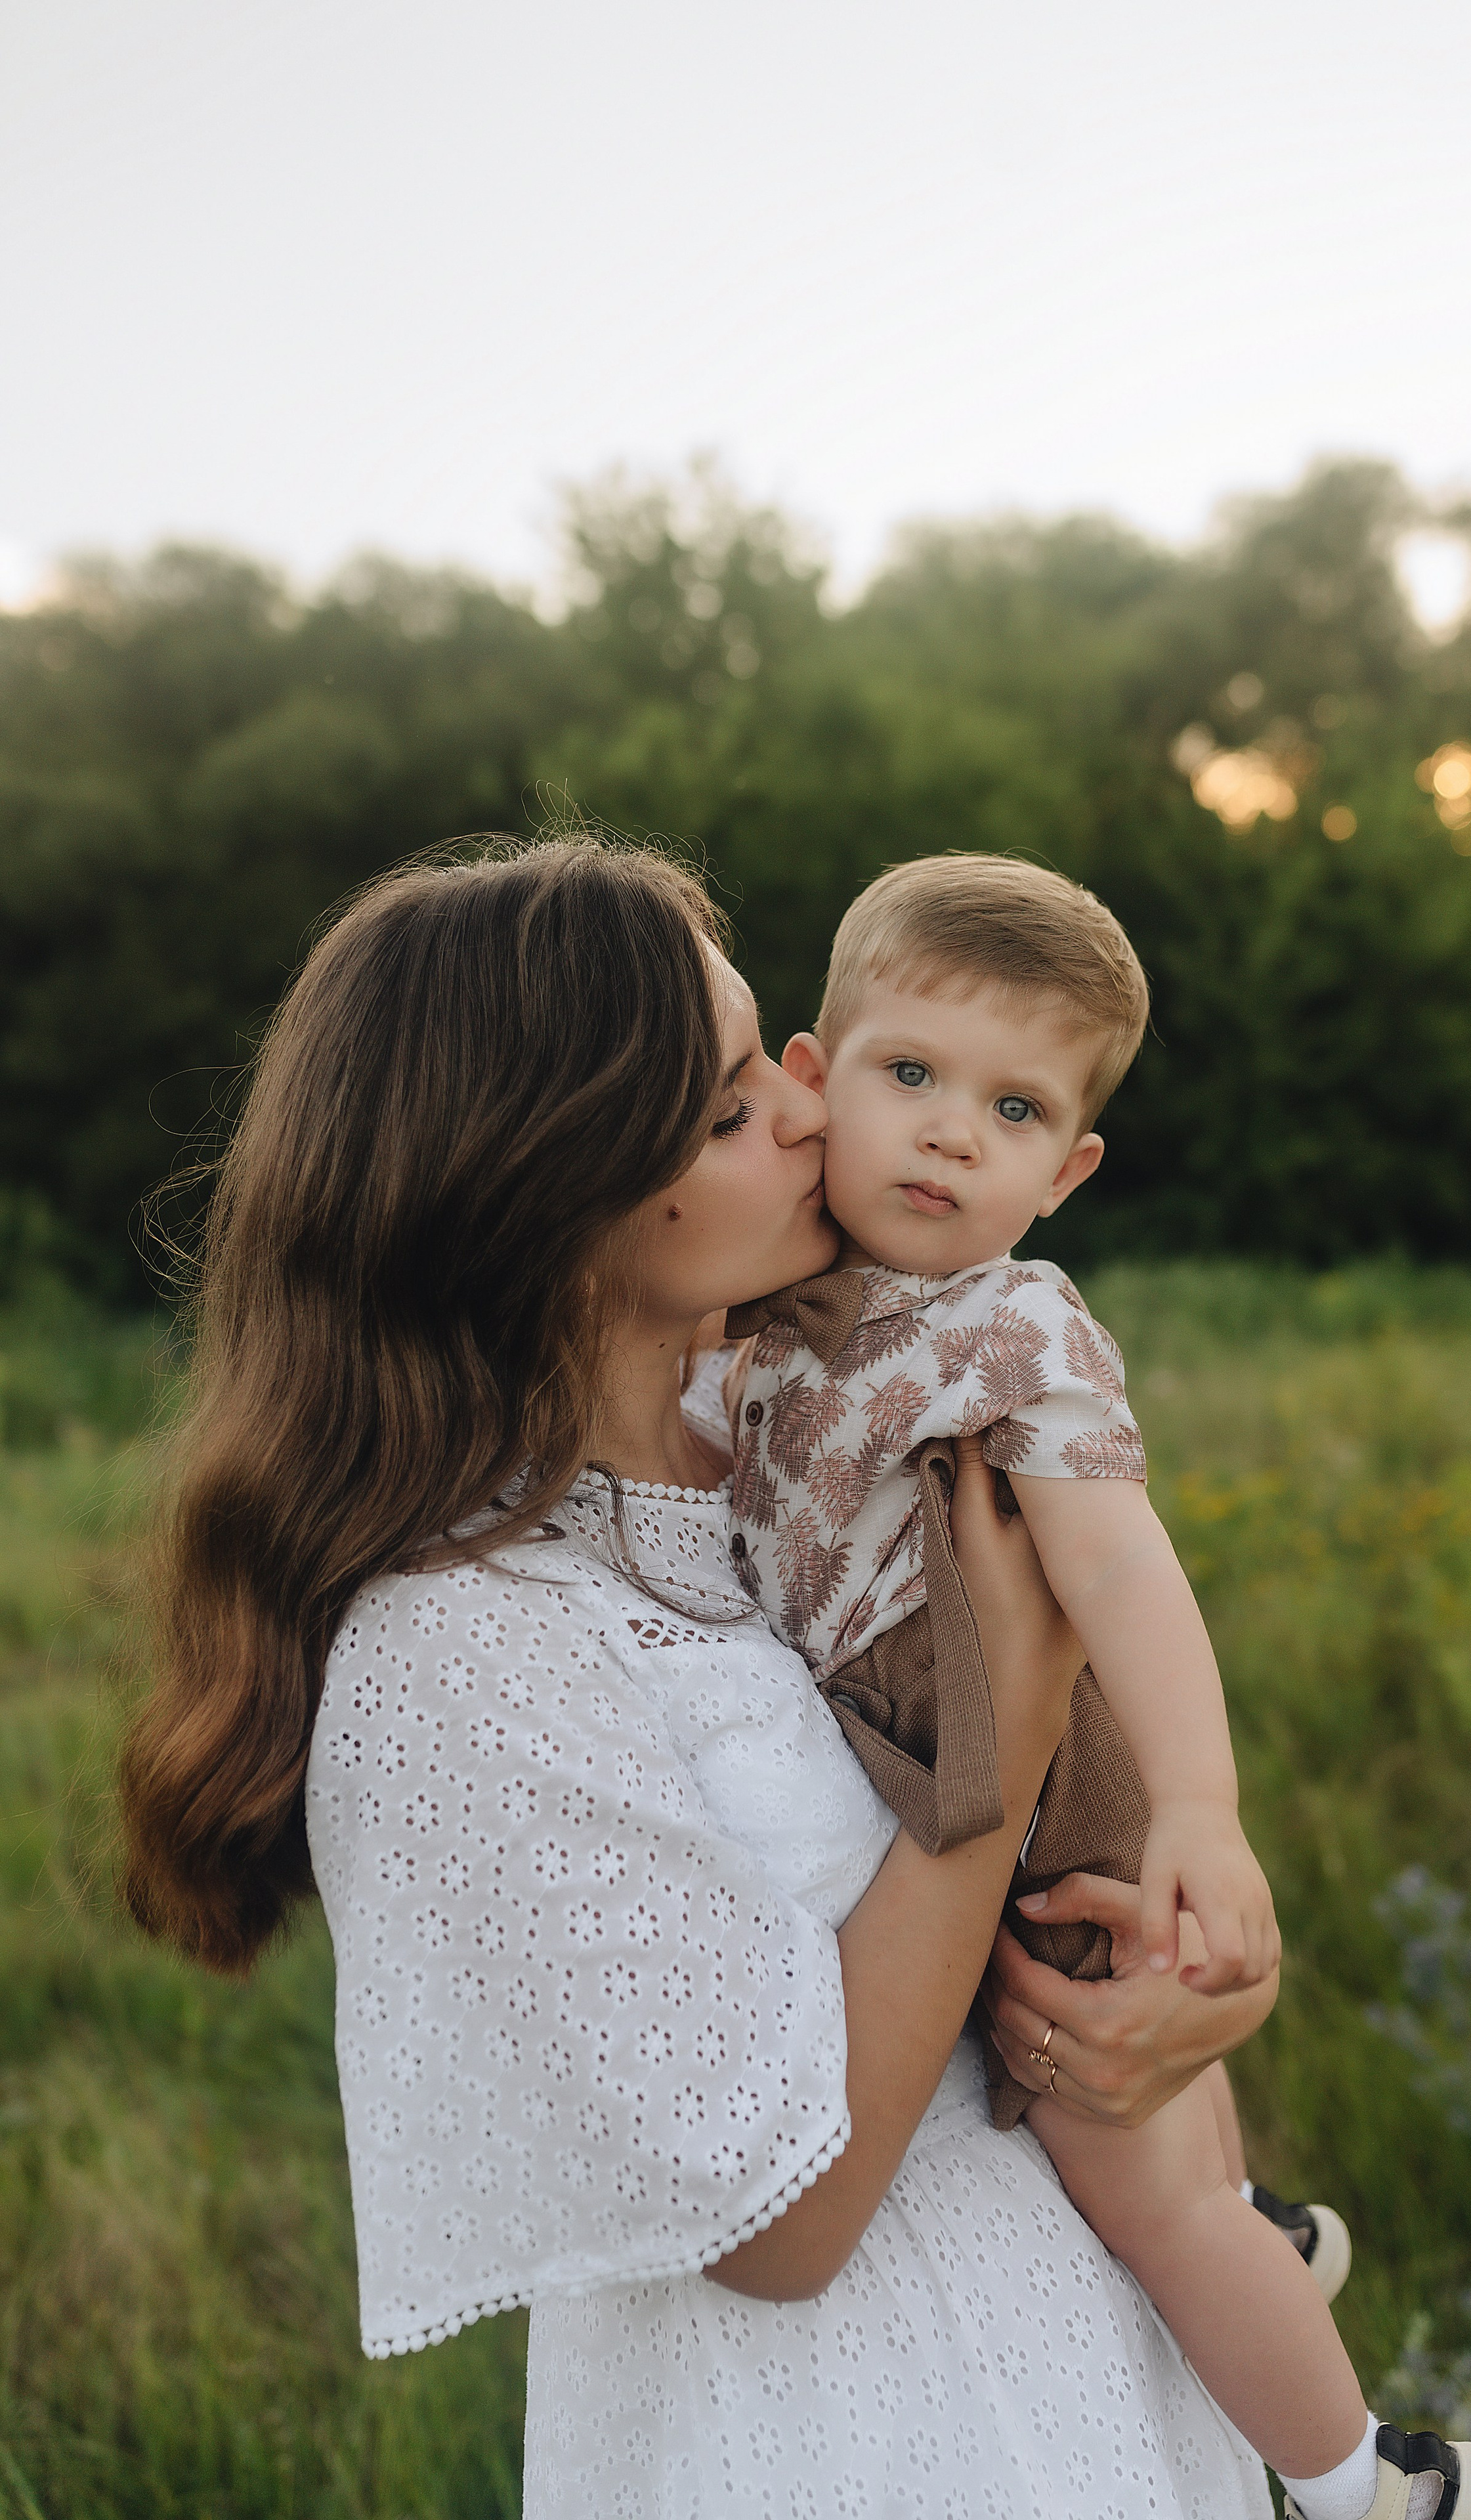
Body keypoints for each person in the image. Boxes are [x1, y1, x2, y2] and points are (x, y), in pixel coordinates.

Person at [120, 835, 1289, 2518]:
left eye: (773, 1056)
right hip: (839, 2436)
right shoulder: (463, 1648)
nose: (815, 1107)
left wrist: (1176, 2006)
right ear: (558, 1196)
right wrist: (1004, 1733)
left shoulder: (785, 1453)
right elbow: (780, 2226)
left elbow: (1042, 1892)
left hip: (1088, 2354)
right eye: (734, 1105)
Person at [723, 854, 1471, 2520]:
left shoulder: (1013, 1329)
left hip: (1032, 1780)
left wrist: (1199, 1810)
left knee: (1139, 2190)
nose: (946, 1131)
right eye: (909, 1073)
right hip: (895, 1765)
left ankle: (1369, 2478)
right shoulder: (753, 1306)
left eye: (1009, 1109)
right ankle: (1259, 2218)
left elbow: (1117, 1570)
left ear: (1065, 1170)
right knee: (1144, 2145)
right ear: (808, 1079)